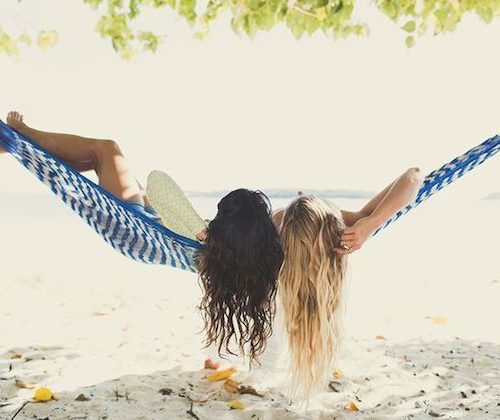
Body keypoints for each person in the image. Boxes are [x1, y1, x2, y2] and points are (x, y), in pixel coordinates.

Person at [1, 111, 283, 366]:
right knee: (95, 162)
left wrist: (201, 229)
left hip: (128, 225)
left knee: (106, 149)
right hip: (139, 231)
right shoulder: (232, 260)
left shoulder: (203, 240)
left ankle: (27, 135)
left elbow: (158, 180)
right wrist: (212, 360)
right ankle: (17, 146)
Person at [272, 167, 424, 399]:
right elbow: (414, 175)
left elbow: (414, 176)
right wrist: (371, 222)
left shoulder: (279, 232)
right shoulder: (344, 234)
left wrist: (370, 223)